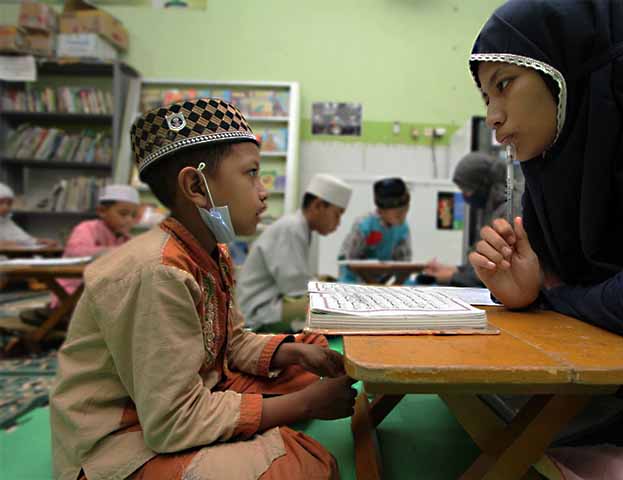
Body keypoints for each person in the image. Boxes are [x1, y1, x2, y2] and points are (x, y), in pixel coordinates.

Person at [466, 0, 623, 477]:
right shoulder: (568, 157)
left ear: (565, 69)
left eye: (504, 84)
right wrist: (533, 290)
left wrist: (550, 298)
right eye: (485, 98)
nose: (494, 118)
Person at [50, 98, 357, 480]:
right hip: (125, 439)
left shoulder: (213, 249)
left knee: (309, 355)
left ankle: (242, 427)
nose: (263, 192)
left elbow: (231, 342)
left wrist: (292, 352)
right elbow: (171, 421)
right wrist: (304, 406)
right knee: (303, 467)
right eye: (251, 174)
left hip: (193, 392)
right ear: (196, 185)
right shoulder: (159, 271)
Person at [237, 173, 352, 333]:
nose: (338, 222)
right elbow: (295, 286)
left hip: (269, 304)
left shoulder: (299, 227)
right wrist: (329, 289)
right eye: (337, 214)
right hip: (260, 312)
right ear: (318, 206)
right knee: (335, 307)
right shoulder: (292, 228)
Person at [19, 184, 141, 327]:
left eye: (133, 216)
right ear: (102, 211)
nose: (129, 220)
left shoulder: (125, 238)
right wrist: (119, 252)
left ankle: (64, 319)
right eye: (123, 214)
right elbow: (78, 251)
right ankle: (62, 315)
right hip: (74, 289)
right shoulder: (86, 228)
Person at [423, 151, 522, 287]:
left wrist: (453, 277)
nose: (465, 196)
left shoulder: (510, 211)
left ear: (483, 185)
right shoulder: (491, 207)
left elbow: (498, 267)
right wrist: (457, 270)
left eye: (466, 190)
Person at [338, 177, 412, 283]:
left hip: (382, 279)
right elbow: (350, 260)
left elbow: (404, 263)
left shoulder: (402, 228)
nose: (403, 216)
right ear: (381, 211)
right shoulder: (364, 226)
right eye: (398, 214)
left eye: (406, 210)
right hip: (354, 278)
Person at [0, 182, 57, 248]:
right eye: (1, 202)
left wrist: (39, 241)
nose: (5, 207)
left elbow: (23, 239)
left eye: (9, 203)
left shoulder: (6, 222)